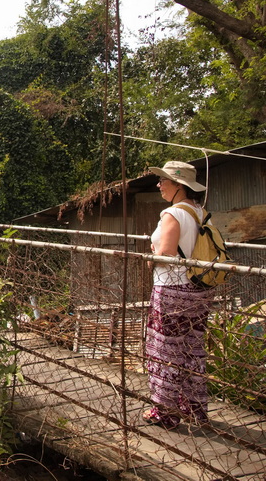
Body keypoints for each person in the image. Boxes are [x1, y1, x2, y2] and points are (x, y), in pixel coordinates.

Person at [143, 160, 215, 430]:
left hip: (172, 289)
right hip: (198, 289)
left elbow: (168, 254)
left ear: (178, 185)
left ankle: (165, 412)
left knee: (165, 351)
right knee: (192, 349)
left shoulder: (172, 213)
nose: (159, 185)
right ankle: (194, 409)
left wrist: (152, 257)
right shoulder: (200, 212)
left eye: (164, 181)